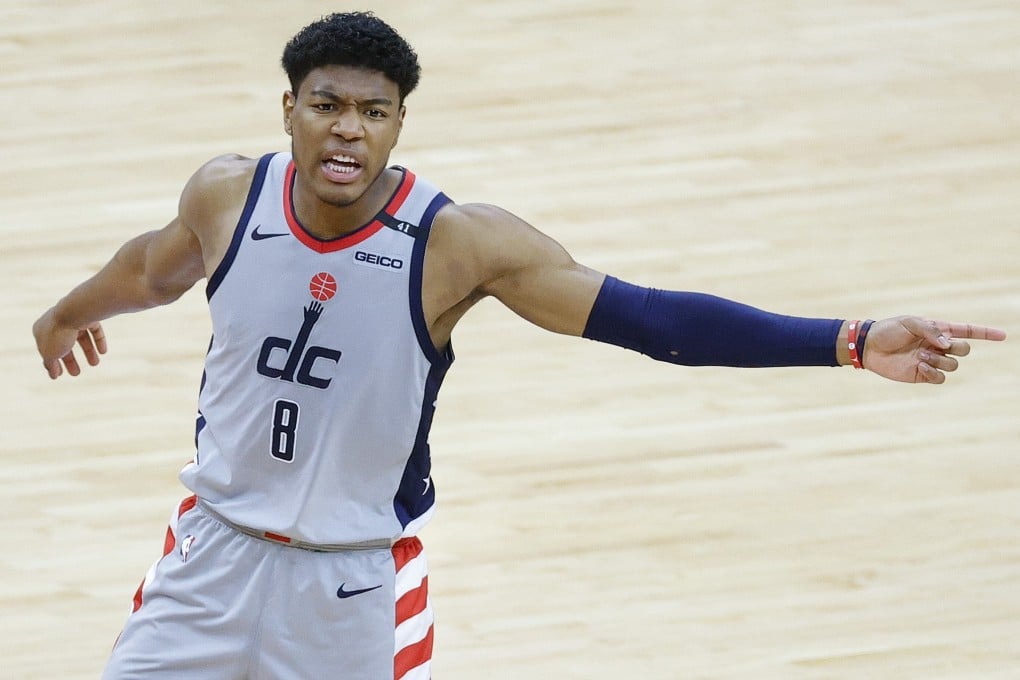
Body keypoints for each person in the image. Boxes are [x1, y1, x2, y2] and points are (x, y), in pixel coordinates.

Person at [31, 11, 1005, 680]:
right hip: (209, 555)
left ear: (399, 124)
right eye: (327, 105)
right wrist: (71, 311)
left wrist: (848, 339)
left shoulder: (457, 244)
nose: (348, 131)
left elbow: (653, 320)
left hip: (350, 584)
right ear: (288, 108)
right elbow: (153, 268)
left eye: (373, 112)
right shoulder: (228, 195)